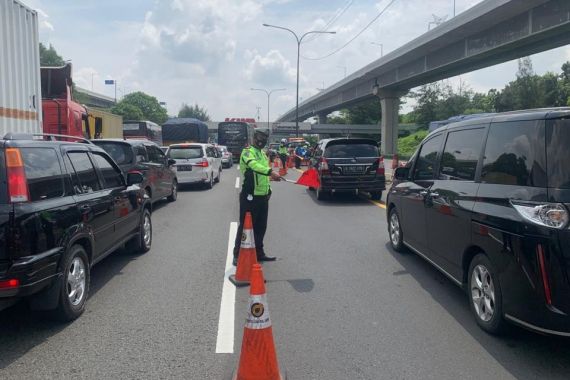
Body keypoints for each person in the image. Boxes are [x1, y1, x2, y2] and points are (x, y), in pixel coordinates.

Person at [233, 129, 281, 266]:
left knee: (261, 226)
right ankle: (237, 254)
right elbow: (254, 166)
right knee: (245, 226)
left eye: (265, 138)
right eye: (260, 137)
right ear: (254, 137)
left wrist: (269, 187)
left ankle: (259, 253)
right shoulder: (248, 152)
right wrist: (270, 172)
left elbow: (262, 175)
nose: (262, 140)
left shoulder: (263, 154)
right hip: (250, 196)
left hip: (263, 196)